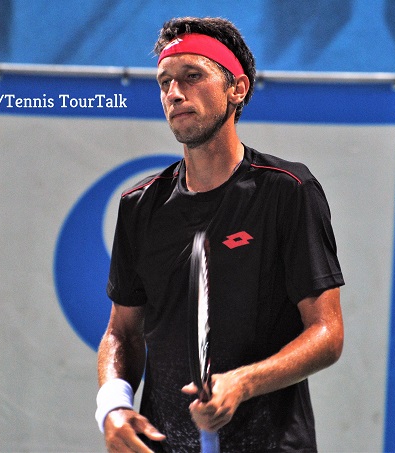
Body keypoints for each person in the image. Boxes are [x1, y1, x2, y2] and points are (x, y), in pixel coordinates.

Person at [96, 16, 345, 452]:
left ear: (237, 89)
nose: (174, 93)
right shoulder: (138, 206)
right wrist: (112, 405)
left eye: (192, 76)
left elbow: (327, 332)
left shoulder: (289, 191)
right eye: (165, 82)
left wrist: (243, 383)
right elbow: (122, 332)